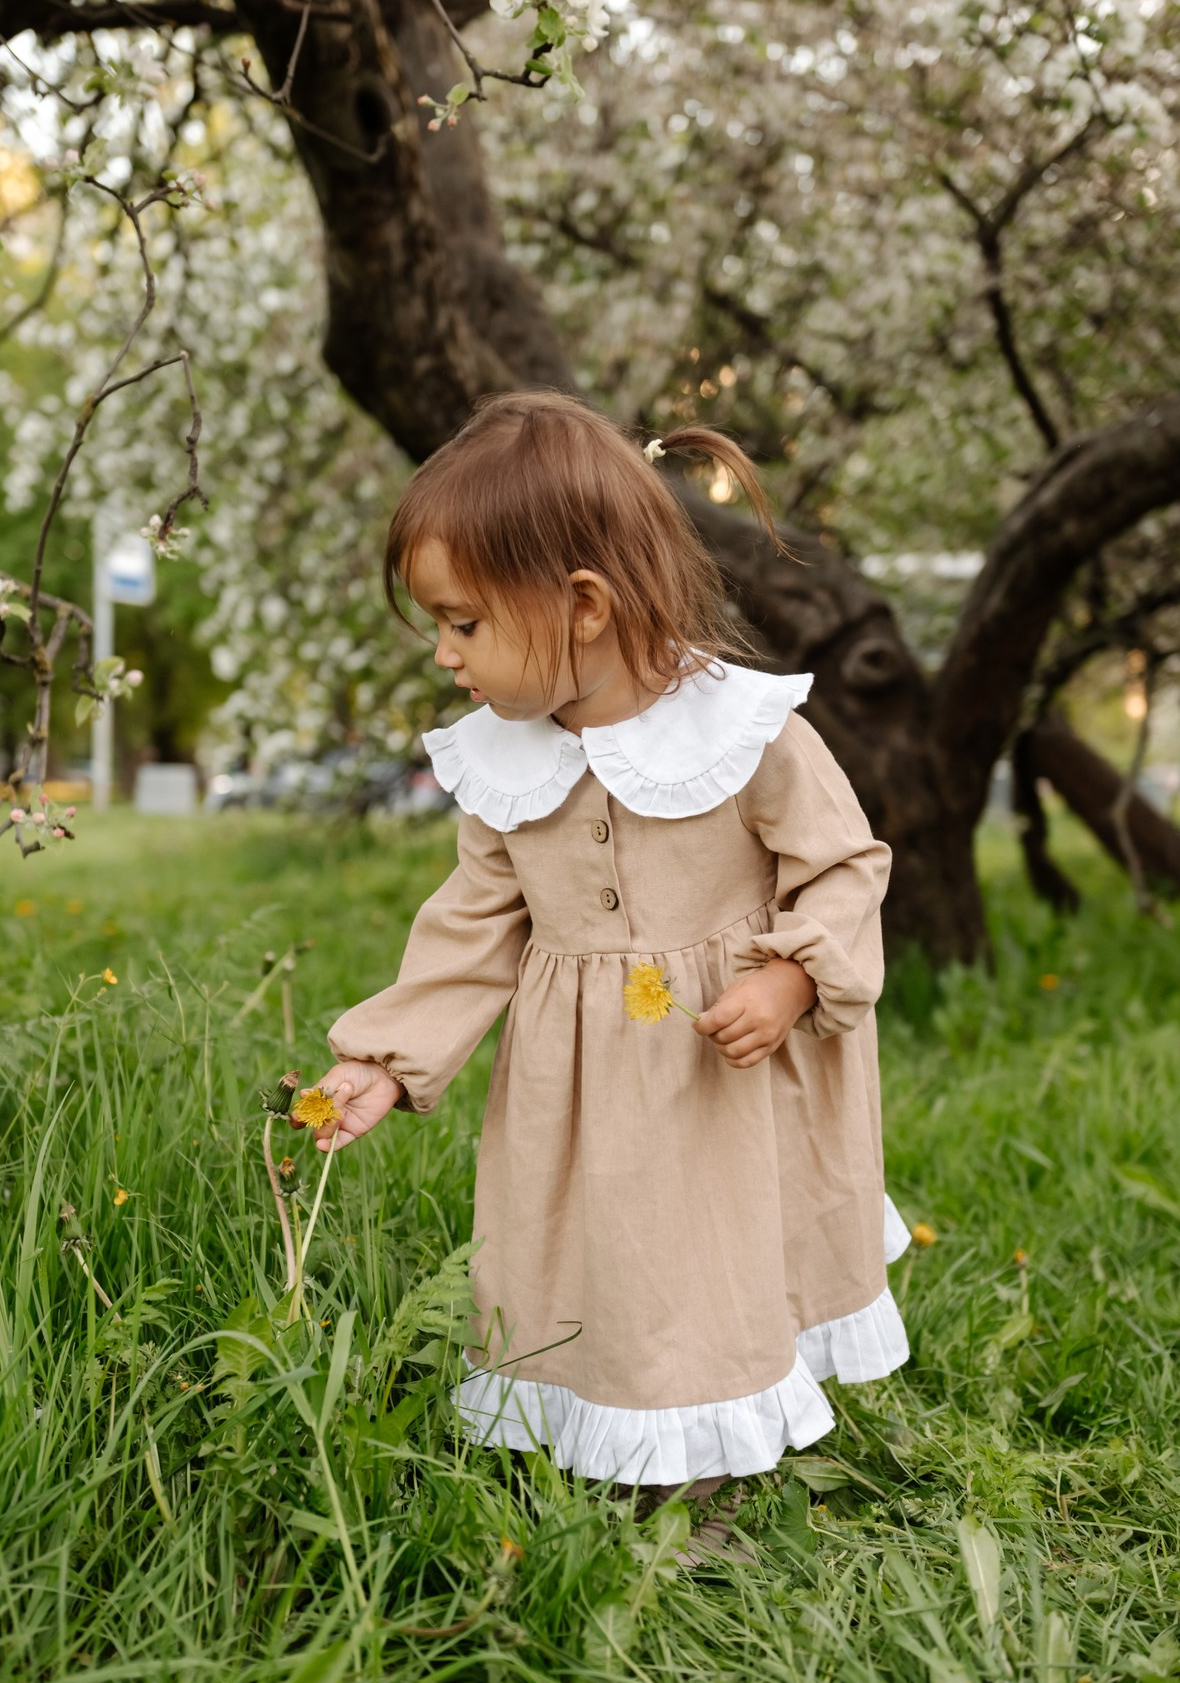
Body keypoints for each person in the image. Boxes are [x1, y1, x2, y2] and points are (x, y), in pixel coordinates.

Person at [308, 390, 912, 1527]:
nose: (443, 654)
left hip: (723, 1066)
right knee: (618, 1256)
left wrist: (789, 977)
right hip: (586, 1079)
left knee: (715, 1261)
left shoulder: (747, 732)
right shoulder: (505, 764)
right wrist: (388, 1059)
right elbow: (475, 921)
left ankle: (710, 1475)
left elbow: (844, 866)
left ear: (580, 604)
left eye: (464, 622)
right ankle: (615, 1430)